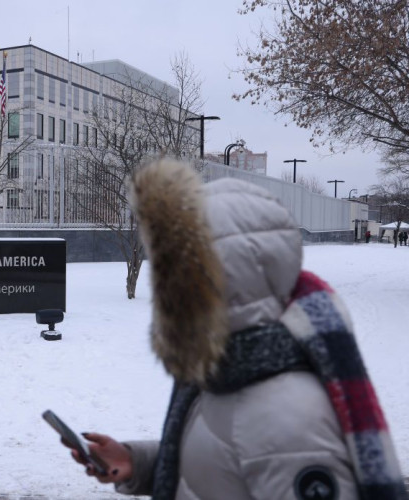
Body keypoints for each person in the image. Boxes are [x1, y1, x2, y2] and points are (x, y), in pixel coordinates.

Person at [64, 159, 406, 500]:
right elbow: (220, 467)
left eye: (182, 269)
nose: (168, 289)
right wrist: (136, 462)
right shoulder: (227, 373)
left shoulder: (286, 417)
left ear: (229, 276)